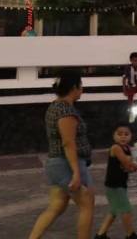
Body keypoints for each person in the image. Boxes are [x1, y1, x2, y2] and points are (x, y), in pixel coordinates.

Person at [29, 69, 94, 239]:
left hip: (56, 164)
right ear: (74, 87)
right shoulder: (66, 111)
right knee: (87, 203)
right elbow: (68, 143)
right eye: (81, 86)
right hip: (66, 164)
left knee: (57, 205)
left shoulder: (55, 106)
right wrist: (76, 173)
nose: (82, 90)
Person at [94, 123, 137, 239]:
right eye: (119, 134)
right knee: (126, 209)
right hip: (114, 185)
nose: (123, 137)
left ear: (131, 136)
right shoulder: (116, 148)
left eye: (126, 134)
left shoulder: (127, 148)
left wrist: (130, 167)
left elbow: (126, 167)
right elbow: (126, 162)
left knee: (113, 211)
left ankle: (100, 235)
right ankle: (130, 234)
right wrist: (134, 166)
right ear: (114, 136)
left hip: (120, 183)